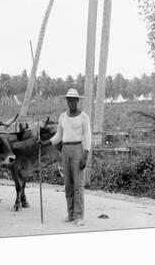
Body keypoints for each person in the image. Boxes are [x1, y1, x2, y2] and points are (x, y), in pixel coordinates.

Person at [39, 88, 91, 226]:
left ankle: (79, 216)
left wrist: (85, 155)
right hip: (65, 149)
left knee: (78, 185)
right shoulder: (63, 117)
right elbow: (58, 136)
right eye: (69, 100)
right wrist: (46, 143)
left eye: (73, 100)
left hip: (78, 149)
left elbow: (87, 137)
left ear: (77, 101)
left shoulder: (84, 117)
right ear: (67, 101)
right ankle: (71, 214)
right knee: (68, 185)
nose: (71, 102)